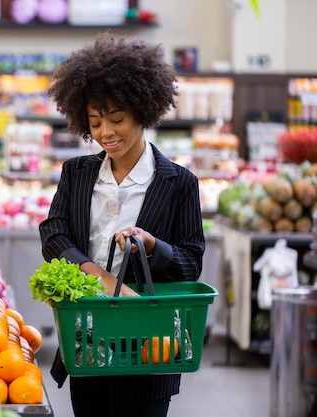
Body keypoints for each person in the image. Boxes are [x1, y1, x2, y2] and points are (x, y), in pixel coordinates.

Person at [39, 31, 206, 417]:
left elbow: (191, 261)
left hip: (149, 344)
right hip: (87, 336)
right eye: (95, 122)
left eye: (116, 119)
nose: (105, 134)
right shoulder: (77, 173)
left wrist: (152, 246)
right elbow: (54, 232)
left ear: (143, 113)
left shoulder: (179, 182)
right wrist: (95, 273)